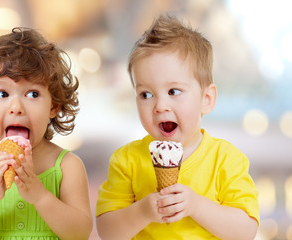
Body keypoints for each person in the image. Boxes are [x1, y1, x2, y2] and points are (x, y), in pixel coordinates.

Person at [96, 15, 259, 240]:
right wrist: (142, 211)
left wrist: (197, 206)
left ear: (207, 99)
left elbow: (246, 232)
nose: (160, 106)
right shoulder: (126, 161)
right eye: (146, 94)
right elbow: (107, 232)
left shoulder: (226, 159)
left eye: (173, 91)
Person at [0, 27, 92, 240]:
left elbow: (80, 233)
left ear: (53, 106)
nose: (16, 107)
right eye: (2, 93)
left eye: (33, 94)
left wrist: (40, 196)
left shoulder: (67, 166)